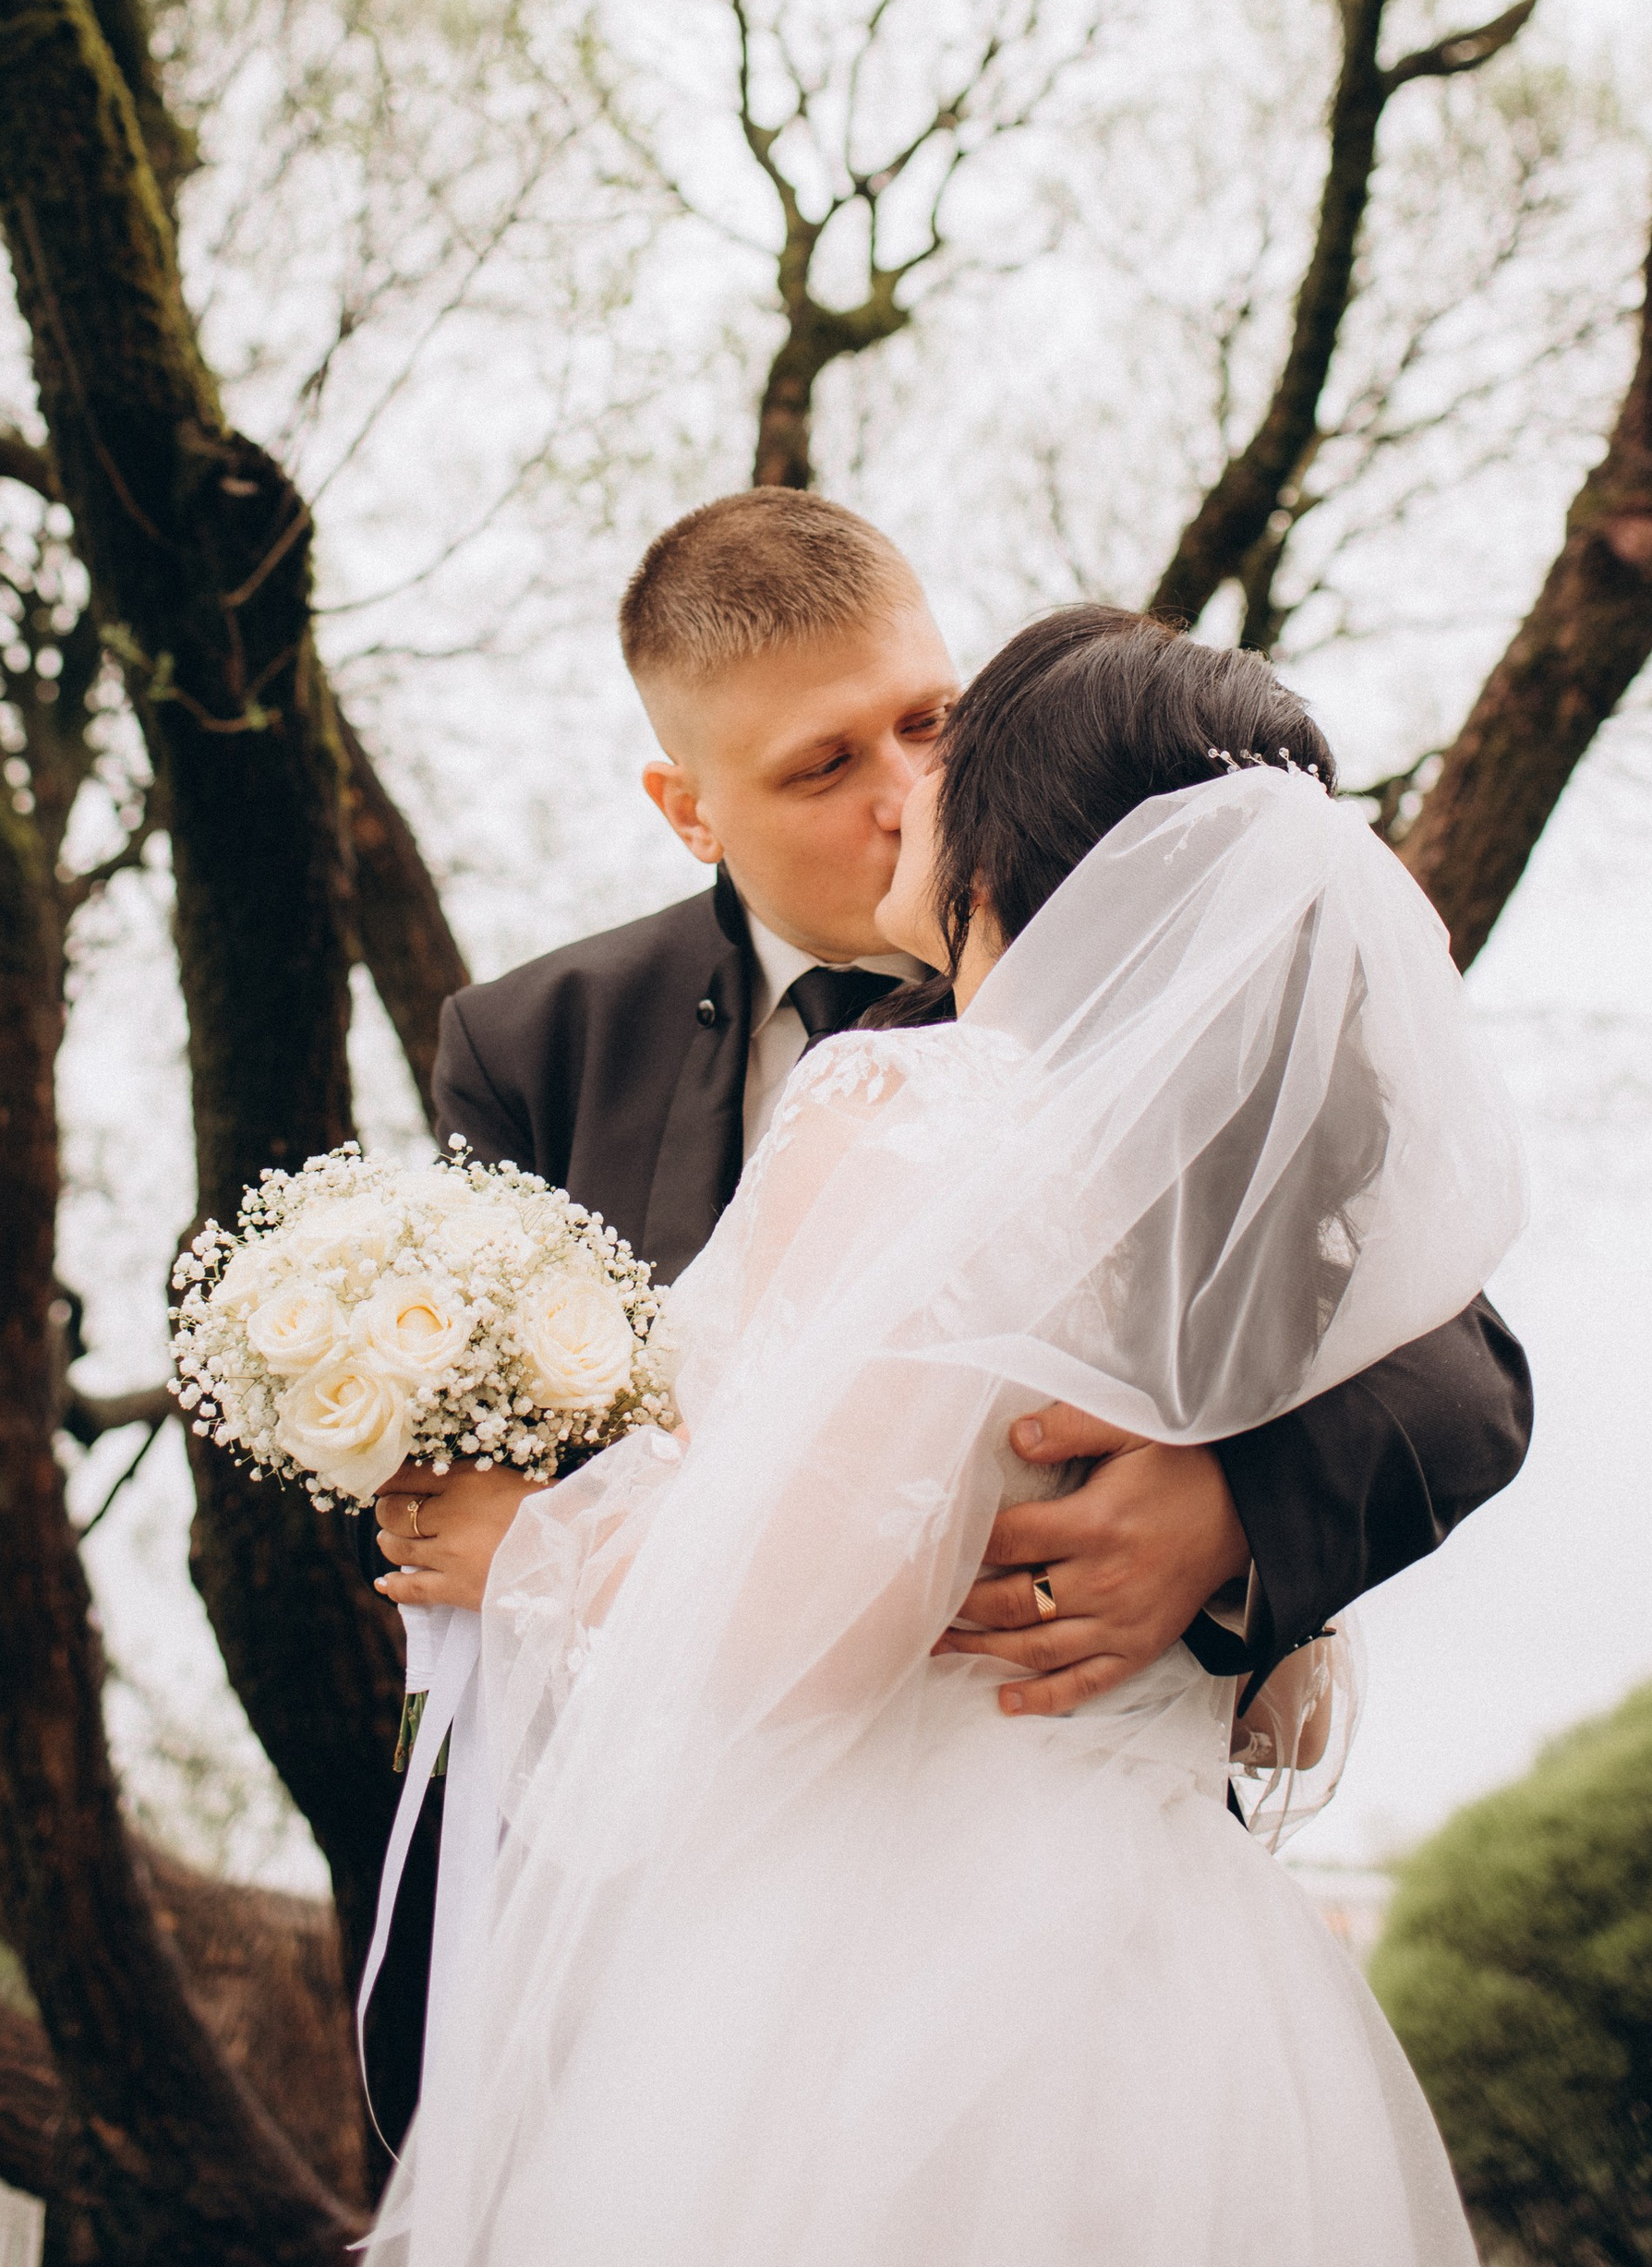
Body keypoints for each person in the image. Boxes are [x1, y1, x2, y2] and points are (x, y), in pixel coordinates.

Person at [366, 603, 1527, 2262]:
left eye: (940, 740)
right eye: (833, 763)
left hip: (879, 1950)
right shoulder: (1232, 1163)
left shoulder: (914, 1107)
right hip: (1179, 1972)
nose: (908, 791)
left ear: (1024, 834)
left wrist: (529, 1553)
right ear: (689, 802)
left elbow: (814, 1624)